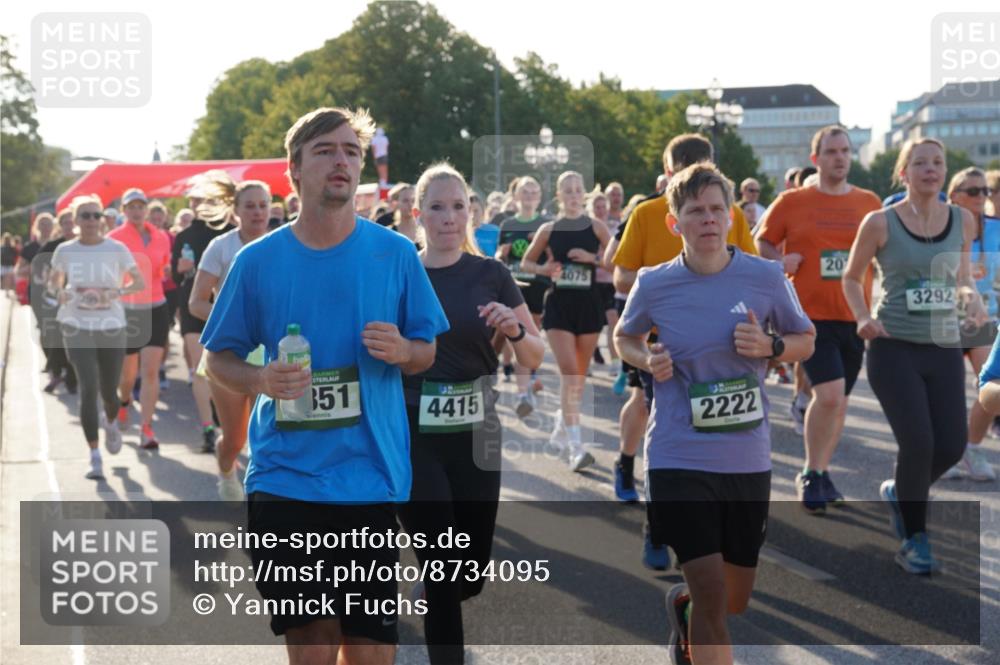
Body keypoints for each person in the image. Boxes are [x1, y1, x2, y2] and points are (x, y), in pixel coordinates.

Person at [201, 107, 448, 665]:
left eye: (351, 151)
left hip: (370, 479)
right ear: (295, 169)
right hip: (286, 480)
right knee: (311, 647)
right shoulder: (256, 261)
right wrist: (262, 377)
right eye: (325, 151)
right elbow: (218, 360)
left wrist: (405, 350)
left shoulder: (395, 254)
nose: (342, 161)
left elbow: (426, 351)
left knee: (370, 653)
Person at [615, 163, 815, 665]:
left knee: (732, 599)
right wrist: (647, 359)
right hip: (677, 453)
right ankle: (696, 608)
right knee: (709, 591)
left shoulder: (765, 276)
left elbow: (805, 340)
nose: (707, 219)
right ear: (674, 223)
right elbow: (625, 336)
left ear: (730, 218)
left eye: (715, 210)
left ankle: (683, 611)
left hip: (745, 455)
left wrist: (770, 344)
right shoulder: (654, 283)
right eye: (694, 211)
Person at [397, 163, 544, 665]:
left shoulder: (491, 273)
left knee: (470, 571)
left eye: (458, 206)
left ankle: (443, 595)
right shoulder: (401, 271)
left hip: (478, 431)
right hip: (415, 432)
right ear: (418, 214)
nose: (448, 217)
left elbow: (534, 355)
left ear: (471, 213)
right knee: (441, 569)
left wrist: (518, 331)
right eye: (436, 207)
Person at [612, 133, 759, 567]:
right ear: (670, 174)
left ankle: (713, 518)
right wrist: (658, 286)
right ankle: (653, 522)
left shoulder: (727, 213)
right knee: (659, 427)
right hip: (662, 345)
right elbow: (621, 275)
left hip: (718, 347)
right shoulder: (647, 213)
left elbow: (747, 270)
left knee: (713, 434)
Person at [843, 137, 986, 574]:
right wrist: (863, 317)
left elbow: (961, 276)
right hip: (892, 346)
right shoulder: (880, 222)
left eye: (938, 162)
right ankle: (914, 539)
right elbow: (851, 278)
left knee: (951, 443)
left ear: (945, 172)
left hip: (942, 345)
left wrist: (971, 299)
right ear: (903, 173)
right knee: (918, 442)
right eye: (920, 163)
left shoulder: (963, 219)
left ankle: (901, 493)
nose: (930, 169)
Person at [754, 125, 882, 514]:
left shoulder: (869, 202)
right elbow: (761, 241)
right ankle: (810, 473)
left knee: (838, 402)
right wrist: (780, 260)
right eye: (831, 152)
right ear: (816, 159)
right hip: (807, 316)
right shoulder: (792, 202)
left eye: (845, 151)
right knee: (826, 394)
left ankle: (822, 472)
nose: (839, 158)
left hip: (853, 315)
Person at [47, 195, 145, 479]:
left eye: (95, 215)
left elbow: (137, 280)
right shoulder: (65, 250)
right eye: (85, 216)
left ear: (102, 219)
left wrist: (117, 292)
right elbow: (54, 283)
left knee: (109, 391)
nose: (91, 220)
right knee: (88, 388)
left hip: (111, 325)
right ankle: (94, 455)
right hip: (75, 325)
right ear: (75, 221)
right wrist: (60, 292)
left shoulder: (117, 248)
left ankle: (111, 420)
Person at [521, 171, 611, 471]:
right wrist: (545, 270)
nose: (573, 196)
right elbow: (526, 263)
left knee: (578, 379)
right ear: (558, 196)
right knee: (570, 373)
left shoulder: (596, 227)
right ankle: (576, 447)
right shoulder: (549, 229)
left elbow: (618, 258)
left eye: (577, 190)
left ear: (584, 193)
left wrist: (592, 258)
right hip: (559, 305)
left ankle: (562, 421)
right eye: (567, 191)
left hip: (588, 305)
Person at [189, 180, 273, 500]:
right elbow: (195, 302)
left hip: (270, 352)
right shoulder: (221, 247)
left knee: (265, 436)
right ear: (235, 211)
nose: (257, 212)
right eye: (249, 206)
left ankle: (263, 508)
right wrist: (233, 322)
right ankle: (226, 468)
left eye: (263, 205)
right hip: (228, 352)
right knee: (236, 439)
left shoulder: (284, 243)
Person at [940, 167, 998, 481]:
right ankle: (946, 452)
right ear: (954, 195)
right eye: (972, 191)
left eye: (984, 191)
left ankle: (971, 447)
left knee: (989, 385)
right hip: (943, 319)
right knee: (944, 391)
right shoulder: (939, 226)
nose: (981, 197)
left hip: (984, 320)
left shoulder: (997, 229)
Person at [172, 171, 237, 452]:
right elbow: (175, 277)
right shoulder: (183, 235)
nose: (199, 204)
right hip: (193, 303)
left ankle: (228, 423)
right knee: (201, 368)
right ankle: (209, 428)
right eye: (195, 200)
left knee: (224, 370)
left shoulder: (226, 233)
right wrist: (181, 270)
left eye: (204, 199)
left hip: (225, 307)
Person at [107, 188, 172, 448]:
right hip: (127, 309)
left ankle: (147, 428)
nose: (136, 211)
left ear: (146, 209)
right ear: (123, 210)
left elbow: (163, 268)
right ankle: (124, 402)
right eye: (131, 206)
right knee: (127, 375)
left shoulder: (161, 236)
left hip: (156, 306)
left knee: (150, 371)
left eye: (140, 206)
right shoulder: (114, 239)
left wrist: (164, 270)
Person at [496, 176, 550, 413]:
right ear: (515, 196)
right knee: (515, 336)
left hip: (537, 286)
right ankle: (522, 393)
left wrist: (540, 247)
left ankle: (527, 382)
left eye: (533, 192)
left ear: (539, 197)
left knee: (531, 337)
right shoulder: (508, 225)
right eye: (524, 192)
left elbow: (553, 258)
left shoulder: (546, 224)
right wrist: (502, 253)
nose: (528, 196)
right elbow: (500, 255)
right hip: (513, 287)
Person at [39, 208, 79, 394]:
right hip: (59, 299)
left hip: (83, 300)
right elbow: (43, 270)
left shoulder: (85, 243)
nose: (69, 226)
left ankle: (72, 378)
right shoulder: (53, 246)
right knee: (56, 337)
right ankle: (56, 373)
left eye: (72, 222)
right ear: (60, 225)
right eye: (65, 223)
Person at [588, 190, 619, 370]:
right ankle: (589, 362)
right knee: (593, 323)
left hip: (610, 281)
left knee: (613, 320)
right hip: (591, 281)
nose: (600, 210)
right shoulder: (587, 230)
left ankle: (614, 362)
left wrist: (595, 259)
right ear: (591, 209)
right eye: (596, 207)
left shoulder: (615, 228)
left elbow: (615, 257)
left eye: (602, 207)